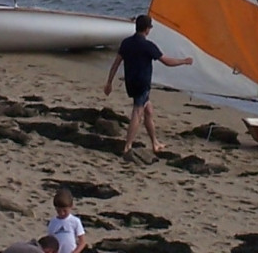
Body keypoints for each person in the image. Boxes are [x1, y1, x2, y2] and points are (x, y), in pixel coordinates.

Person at [104, 14, 194, 158]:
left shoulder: (126, 43)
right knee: (137, 112)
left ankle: (155, 143)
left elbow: (116, 64)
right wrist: (184, 61)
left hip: (130, 83)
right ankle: (128, 146)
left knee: (149, 111)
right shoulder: (148, 46)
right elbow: (167, 62)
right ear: (147, 29)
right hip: (142, 84)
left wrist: (109, 82)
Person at [46, 187, 88, 253]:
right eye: (59, 211)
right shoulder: (53, 222)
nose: (62, 213)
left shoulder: (75, 221)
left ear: (71, 206)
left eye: (65, 211)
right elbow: (50, 242)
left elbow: (82, 242)